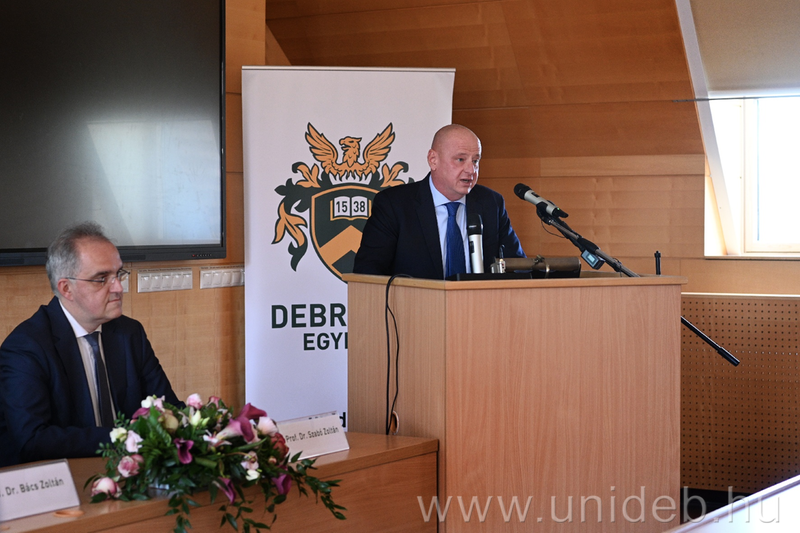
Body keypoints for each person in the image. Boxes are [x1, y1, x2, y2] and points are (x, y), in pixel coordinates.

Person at [0, 222, 181, 467]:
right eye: (101, 279)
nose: (118, 287)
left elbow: (167, 408)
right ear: (67, 288)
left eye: (118, 274)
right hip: (62, 476)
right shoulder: (26, 347)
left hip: (131, 469)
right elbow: (34, 440)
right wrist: (126, 439)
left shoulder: (129, 333)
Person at [353, 124, 525, 278]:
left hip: (479, 304)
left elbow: (518, 268)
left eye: (475, 161)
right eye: (460, 159)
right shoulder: (394, 205)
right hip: (415, 303)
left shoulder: (491, 203)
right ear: (433, 160)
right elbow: (367, 273)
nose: (471, 170)